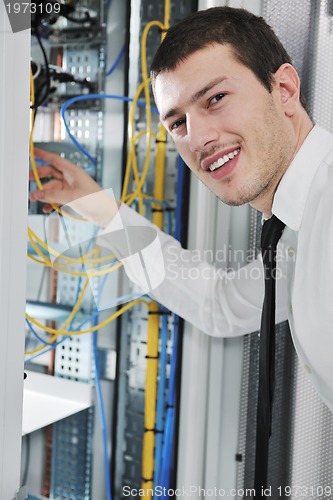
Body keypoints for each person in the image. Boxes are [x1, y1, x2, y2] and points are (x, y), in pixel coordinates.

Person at [30, 7, 333, 414]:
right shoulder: (295, 230)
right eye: (177, 123)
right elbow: (218, 304)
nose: (199, 138)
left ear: (284, 90)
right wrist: (97, 207)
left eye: (216, 99)